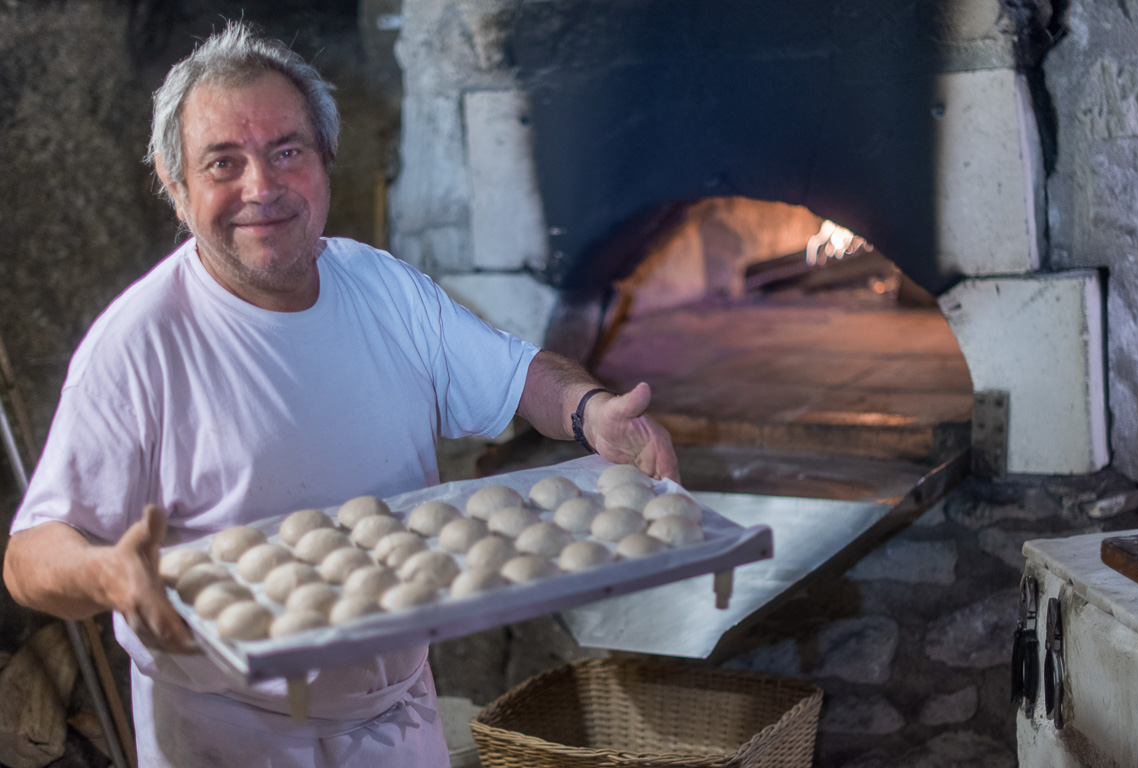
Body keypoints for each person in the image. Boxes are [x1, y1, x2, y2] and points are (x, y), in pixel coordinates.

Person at [2, 21, 677, 767]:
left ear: (325, 160)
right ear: (176, 188)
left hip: (395, 720)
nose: (261, 187)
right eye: (223, 163)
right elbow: (30, 557)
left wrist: (590, 412)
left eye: (286, 151)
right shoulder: (140, 342)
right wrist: (110, 576)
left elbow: (521, 375)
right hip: (230, 734)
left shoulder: (381, 286)